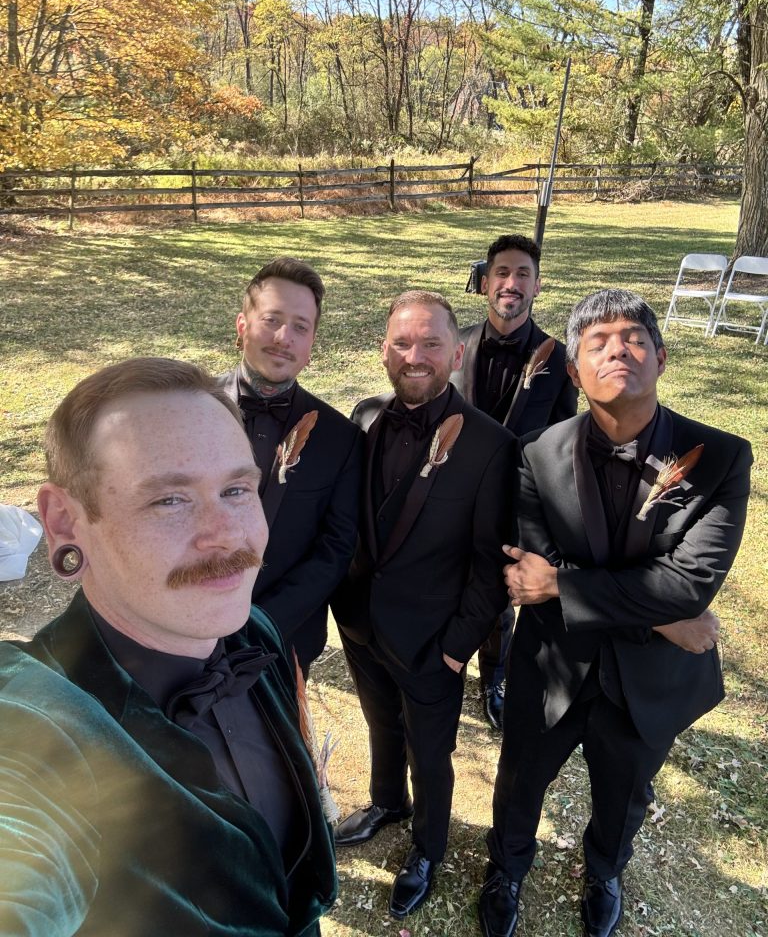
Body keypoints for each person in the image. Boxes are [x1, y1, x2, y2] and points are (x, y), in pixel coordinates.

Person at [0, 358, 337, 937]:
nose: (226, 535)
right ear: (63, 522)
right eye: (169, 500)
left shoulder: (251, 630)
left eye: (236, 489)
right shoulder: (39, 726)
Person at [479, 290, 752, 937]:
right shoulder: (534, 454)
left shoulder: (720, 459)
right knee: (519, 782)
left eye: (632, 338)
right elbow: (529, 571)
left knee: (625, 794)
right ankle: (508, 867)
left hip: (649, 680)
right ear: (573, 372)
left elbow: (688, 585)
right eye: (596, 343)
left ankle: (605, 868)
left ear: (660, 356)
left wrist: (572, 589)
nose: (616, 350)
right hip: (550, 665)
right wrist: (662, 614)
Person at [332, 291, 517, 919]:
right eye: (402, 343)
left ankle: (428, 847)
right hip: (359, 623)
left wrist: (455, 647)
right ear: (383, 350)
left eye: (431, 344)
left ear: (456, 352)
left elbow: (492, 567)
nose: (416, 357)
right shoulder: (363, 417)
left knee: (430, 751)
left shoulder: (492, 446)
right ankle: (388, 800)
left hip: (433, 640)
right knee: (381, 724)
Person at [451, 234, 577, 731]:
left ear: (537, 286)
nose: (511, 283)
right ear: (485, 282)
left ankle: (495, 675)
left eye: (523, 274)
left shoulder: (560, 360)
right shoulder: (454, 345)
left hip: (514, 501)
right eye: (502, 272)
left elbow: (565, 440)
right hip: (454, 493)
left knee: (501, 597)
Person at [221, 258, 362, 676]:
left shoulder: (341, 437)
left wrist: (261, 624)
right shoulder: (186, 412)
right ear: (242, 325)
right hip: (182, 632)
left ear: (312, 342)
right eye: (272, 320)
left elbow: (335, 549)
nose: (284, 338)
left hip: (284, 640)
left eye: (300, 326)